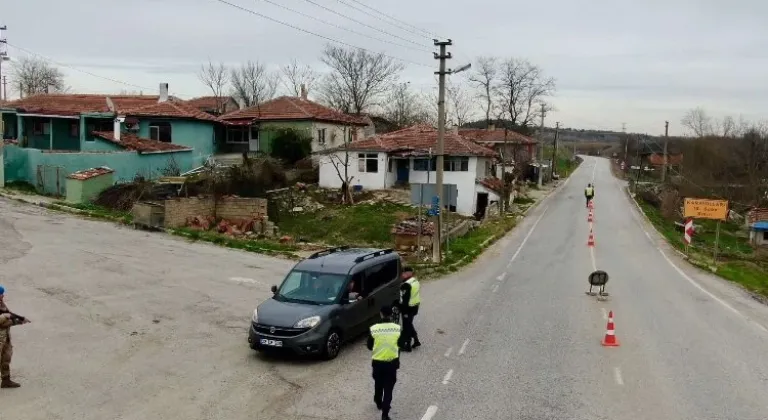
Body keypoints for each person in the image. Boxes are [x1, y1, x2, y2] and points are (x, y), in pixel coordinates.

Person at [367, 305, 406, 420]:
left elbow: (369, 346)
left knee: (378, 383)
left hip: (378, 363)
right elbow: (401, 344)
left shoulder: (374, 328)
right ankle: (385, 414)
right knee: (388, 388)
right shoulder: (397, 329)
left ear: (381, 314)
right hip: (391, 363)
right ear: (391, 315)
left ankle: (378, 400)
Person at [0, 285, 31, 389]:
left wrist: (21, 319)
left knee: (6, 357)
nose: (2, 296)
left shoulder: (2, 304)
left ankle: (6, 380)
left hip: (5, 337)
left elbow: (9, 315)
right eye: (1, 294)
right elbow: (3, 320)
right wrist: (6, 317)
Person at [398, 266, 421, 352]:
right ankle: (416, 340)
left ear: (407, 273)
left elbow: (405, 300)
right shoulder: (415, 281)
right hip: (415, 307)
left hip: (408, 308)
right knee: (409, 324)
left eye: (402, 274)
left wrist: (404, 312)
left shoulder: (406, 285)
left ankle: (407, 346)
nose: (401, 276)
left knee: (406, 326)